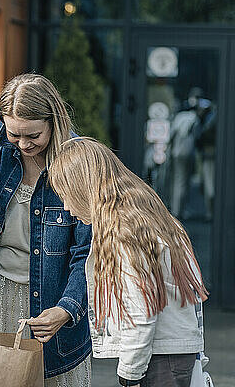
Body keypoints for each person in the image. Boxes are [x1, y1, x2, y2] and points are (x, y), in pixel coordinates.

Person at [0, 74, 93, 386]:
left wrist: (68, 309)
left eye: (33, 135)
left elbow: (88, 252)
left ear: (53, 122)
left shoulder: (79, 163)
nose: (23, 144)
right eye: (14, 134)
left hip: (57, 301)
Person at [49, 137, 208, 387]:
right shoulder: (144, 211)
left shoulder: (125, 229)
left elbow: (141, 312)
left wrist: (130, 373)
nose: (67, 207)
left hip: (159, 358)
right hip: (170, 352)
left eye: (67, 196)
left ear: (85, 187)